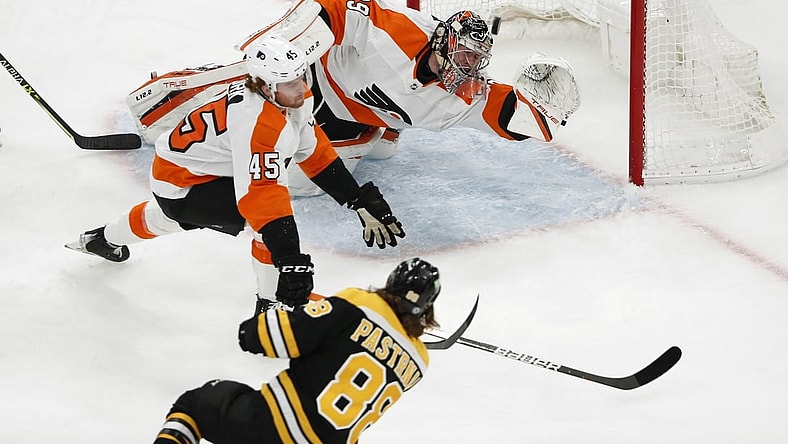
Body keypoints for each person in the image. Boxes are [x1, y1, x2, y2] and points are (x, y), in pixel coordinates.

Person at [66, 35, 405, 311]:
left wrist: (356, 199)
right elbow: (263, 198)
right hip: (183, 184)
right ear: (265, 86)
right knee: (264, 226)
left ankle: (101, 239)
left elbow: (313, 151)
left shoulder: (287, 99)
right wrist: (291, 263)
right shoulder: (260, 124)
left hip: (185, 173)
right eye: (288, 82)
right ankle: (273, 304)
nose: (301, 88)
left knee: (170, 218)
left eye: (301, 76)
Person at [126, 0, 581, 196]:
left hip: (350, 122)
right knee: (164, 108)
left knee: (304, 185)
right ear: (441, 40)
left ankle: (373, 138)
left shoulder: (462, 98)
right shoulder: (399, 32)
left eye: (474, 59)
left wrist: (548, 107)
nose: (466, 65)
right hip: (307, 79)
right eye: (460, 52)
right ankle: (189, 88)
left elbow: (514, 117)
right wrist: (287, 43)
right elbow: (334, 8)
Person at [152, 257, 441, 444]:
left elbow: (268, 338)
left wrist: (256, 326)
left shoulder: (360, 302)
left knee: (198, 404)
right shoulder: (419, 362)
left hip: (275, 425)